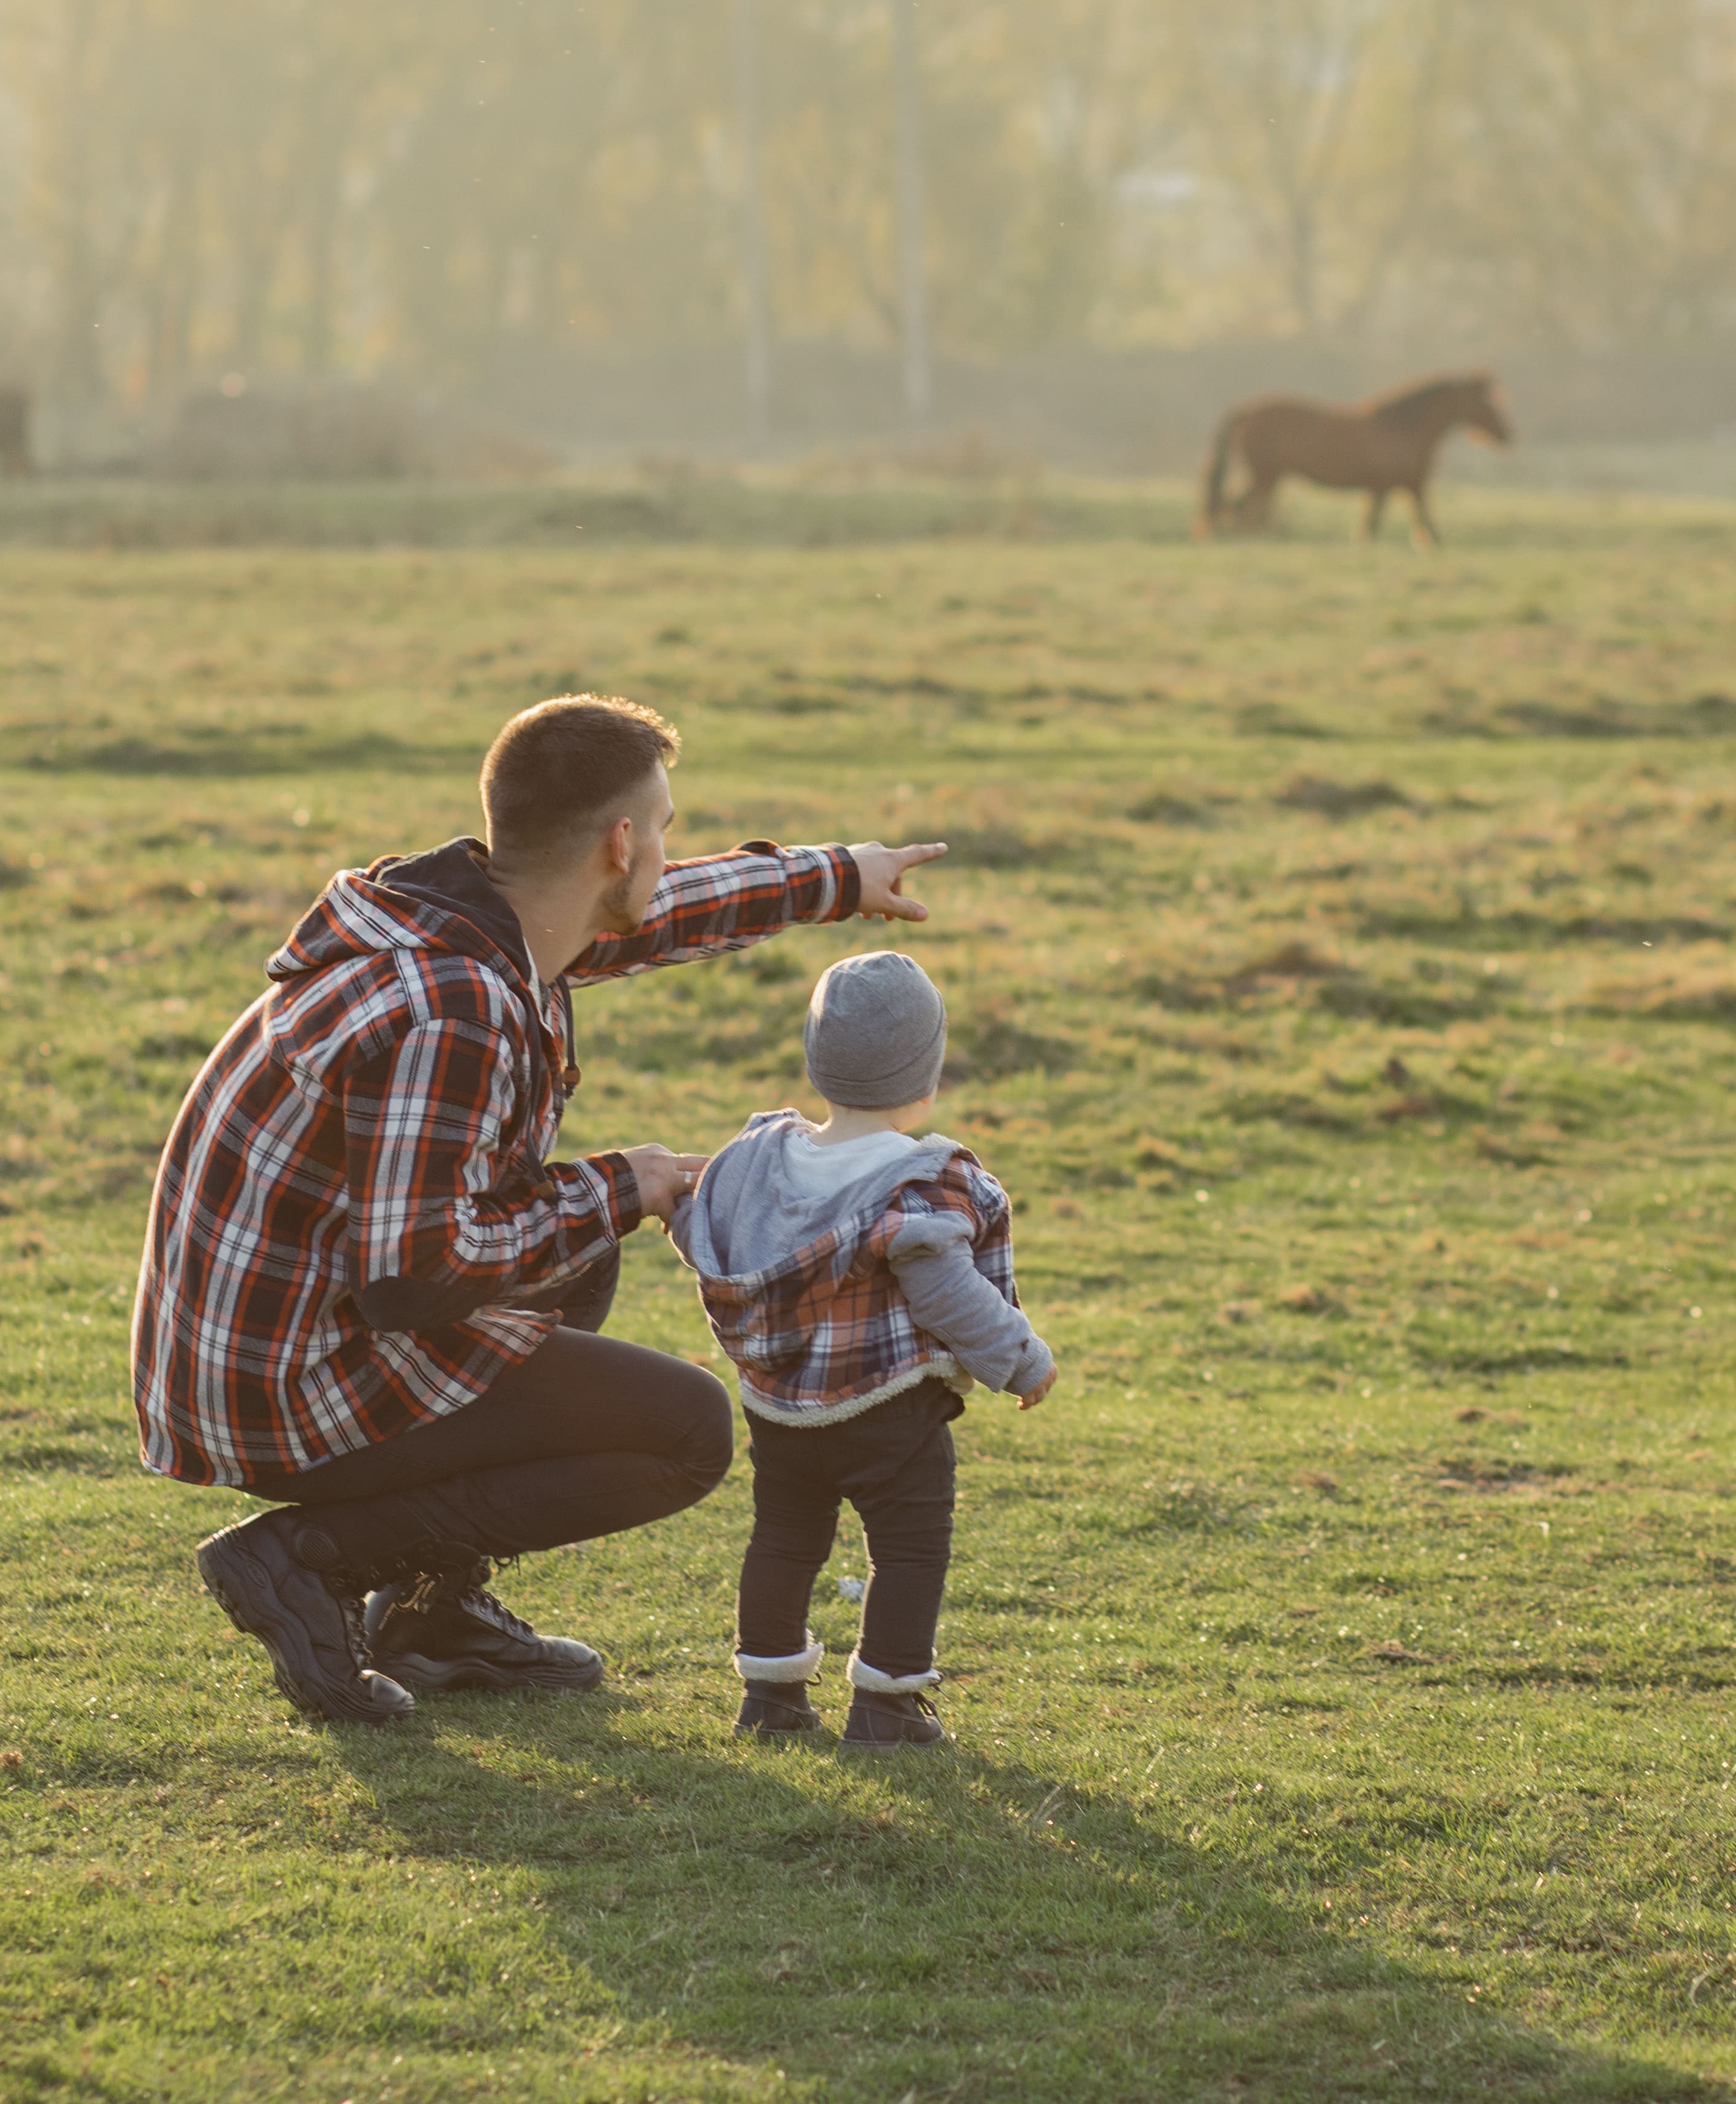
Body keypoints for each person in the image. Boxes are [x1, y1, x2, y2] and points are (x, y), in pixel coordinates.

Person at [130, 693, 949, 1722]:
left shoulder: (479, 920)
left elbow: (657, 913)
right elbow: (413, 1276)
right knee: (684, 1431)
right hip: (279, 1390)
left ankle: (431, 1612)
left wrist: (836, 879)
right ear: (619, 842)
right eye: (660, 830)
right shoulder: (455, 1012)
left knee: (577, 1258)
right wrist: (629, 1183)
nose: (664, 851)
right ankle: (305, 1558)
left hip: (254, 1348)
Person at [674, 949, 1054, 1749]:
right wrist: (1019, 1357)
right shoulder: (915, 1181)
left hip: (781, 1410)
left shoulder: (761, 1161)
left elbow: (705, 1231)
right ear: (927, 1075)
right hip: (890, 1407)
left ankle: (770, 1698)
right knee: (911, 1547)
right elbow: (947, 1291)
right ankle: (887, 1706)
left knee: (784, 1537)